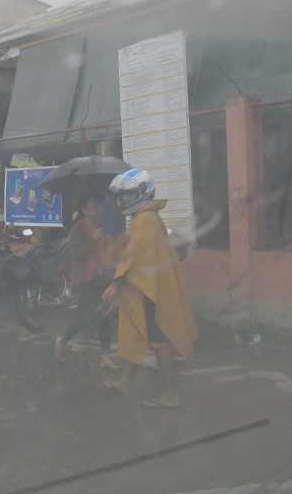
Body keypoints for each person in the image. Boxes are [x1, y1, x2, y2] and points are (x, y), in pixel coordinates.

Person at [101, 169, 197, 408]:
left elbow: (132, 256)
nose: (123, 200)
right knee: (137, 333)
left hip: (151, 291)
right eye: (122, 196)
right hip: (147, 287)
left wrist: (115, 284)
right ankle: (124, 383)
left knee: (159, 343)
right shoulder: (146, 217)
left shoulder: (144, 219)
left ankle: (170, 396)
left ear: (144, 193)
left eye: (128, 194)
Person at [54, 193, 120, 368]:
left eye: (96, 205)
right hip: (86, 279)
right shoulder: (77, 228)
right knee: (84, 319)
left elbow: (105, 250)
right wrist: (92, 240)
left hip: (102, 277)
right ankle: (62, 340)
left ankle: (105, 357)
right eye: (91, 206)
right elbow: (76, 254)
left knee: (105, 316)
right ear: (83, 209)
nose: (95, 209)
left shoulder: (100, 225)